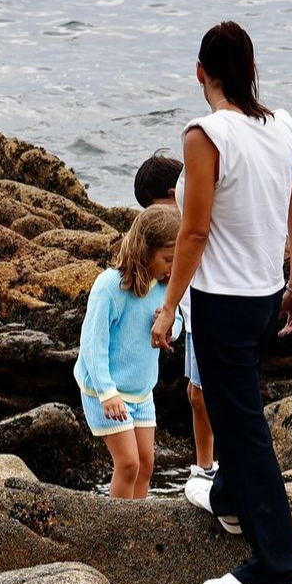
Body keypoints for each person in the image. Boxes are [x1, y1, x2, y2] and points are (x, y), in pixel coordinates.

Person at [151, 21, 292, 584]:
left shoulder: (205, 134)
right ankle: (229, 499)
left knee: (242, 428)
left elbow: (192, 232)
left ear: (201, 73)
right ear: (250, 68)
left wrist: (168, 308)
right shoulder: (285, 126)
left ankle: (277, 564)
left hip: (220, 304)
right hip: (266, 297)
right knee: (238, 412)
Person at [75, 205, 184, 498]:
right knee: (128, 464)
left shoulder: (164, 286)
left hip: (141, 391)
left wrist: (172, 325)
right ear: (144, 250)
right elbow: (91, 345)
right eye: (168, 259)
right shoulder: (110, 287)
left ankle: (136, 526)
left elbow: (180, 318)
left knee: (146, 464)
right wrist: (107, 391)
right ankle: (117, 533)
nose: (173, 268)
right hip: (106, 391)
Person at [135, 152, 217, 484]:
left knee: (202, 394)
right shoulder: (177, 230)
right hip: (194, 318)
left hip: (210, 314)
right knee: (196, 394)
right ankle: (206, 465)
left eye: (155, 209)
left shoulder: (194, 221)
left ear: (173, 195)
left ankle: (210, 466)